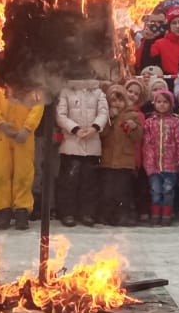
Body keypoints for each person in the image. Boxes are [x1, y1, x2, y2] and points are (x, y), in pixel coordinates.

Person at [0, 84, 42, 231]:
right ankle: (3, 210)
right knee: (0, 173)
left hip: (24, 137)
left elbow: (38, 107)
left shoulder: (33, 83)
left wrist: (27, 128)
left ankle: (21, 210)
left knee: (23, 173)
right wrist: (1, 124)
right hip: (2, 136)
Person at [56, 77, 109, 227]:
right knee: (69, 182)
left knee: (89, 182)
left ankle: (87, 213)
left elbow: (103, 112)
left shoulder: (98, 92)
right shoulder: (66, 91)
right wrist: (75, 129)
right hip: (71, 145)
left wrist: (95, 127)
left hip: (92, 145)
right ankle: (67, 213)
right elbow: (61, 115)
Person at [140, 88, 179, 227]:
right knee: (155, 190)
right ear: (154, 103)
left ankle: (167, 213)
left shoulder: (175, 121)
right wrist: (148, 162)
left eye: (165, 102)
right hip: (154, 166)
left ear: (170, 104)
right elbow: (147, 144)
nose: (161, 105)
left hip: (170, 165)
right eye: (159, 102)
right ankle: (156, 213)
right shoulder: (149, 122)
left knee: (168, 191)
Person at [99, 85, 143, 227]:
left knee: (123, 191)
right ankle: (106, 216)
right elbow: (102, 134)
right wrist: (108, 121)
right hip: (108, 160)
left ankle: (122, 215)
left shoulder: (133, 115)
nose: (117, 104)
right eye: (113, 101)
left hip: (125, 161)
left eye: (120, 100)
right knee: (107, 190)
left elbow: (137, 137)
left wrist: (134, 127)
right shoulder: (106, 117)